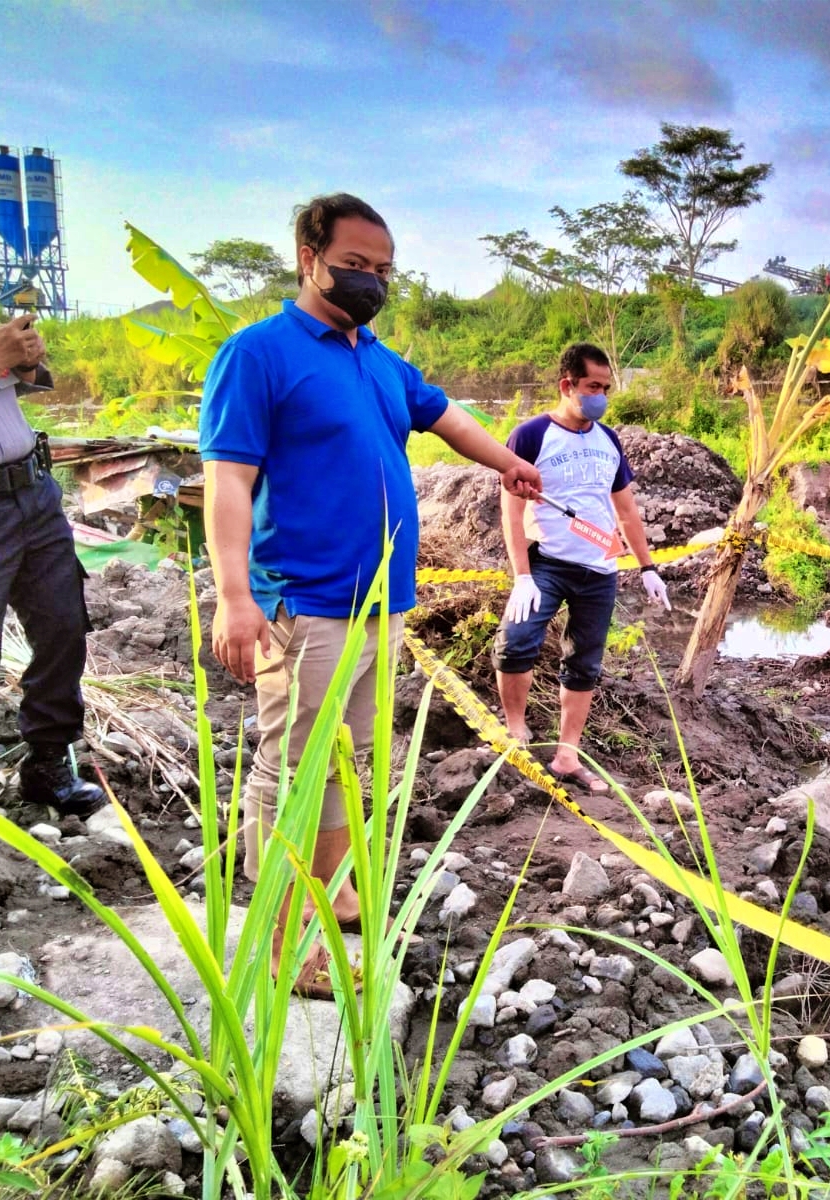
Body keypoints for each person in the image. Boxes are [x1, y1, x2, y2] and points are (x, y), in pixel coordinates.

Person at [199, 194, 541, 993]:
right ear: (308, 259)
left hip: (383, 605)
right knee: (293, 773)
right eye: (355, 265)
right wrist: (233, 595)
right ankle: (286, 942)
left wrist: (507, 464)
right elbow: (227, 481)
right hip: (307, 604)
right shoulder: (259, 354)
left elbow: (448, 419)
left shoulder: (379, 360)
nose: (371, 281)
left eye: (383, 270)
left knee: (351, 766)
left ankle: (335, 888)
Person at [0, 252, 103, 816]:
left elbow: (11, 387)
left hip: (32, 498)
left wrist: (27, 362)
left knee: (63, 627)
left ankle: (48, 760)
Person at [492, 342, 670, 792]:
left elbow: (626, 511)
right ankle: (516, 730)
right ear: (566, 385)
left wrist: (648, 567)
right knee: (516, 643)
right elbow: (511, 512)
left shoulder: (608, 440)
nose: (601, 396)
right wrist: (523, 576)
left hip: (600, 569)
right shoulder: (530, 436)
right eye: (593, 386)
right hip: (547, 563)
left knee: (584, 662)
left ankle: (567, 754)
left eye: (606, 388)